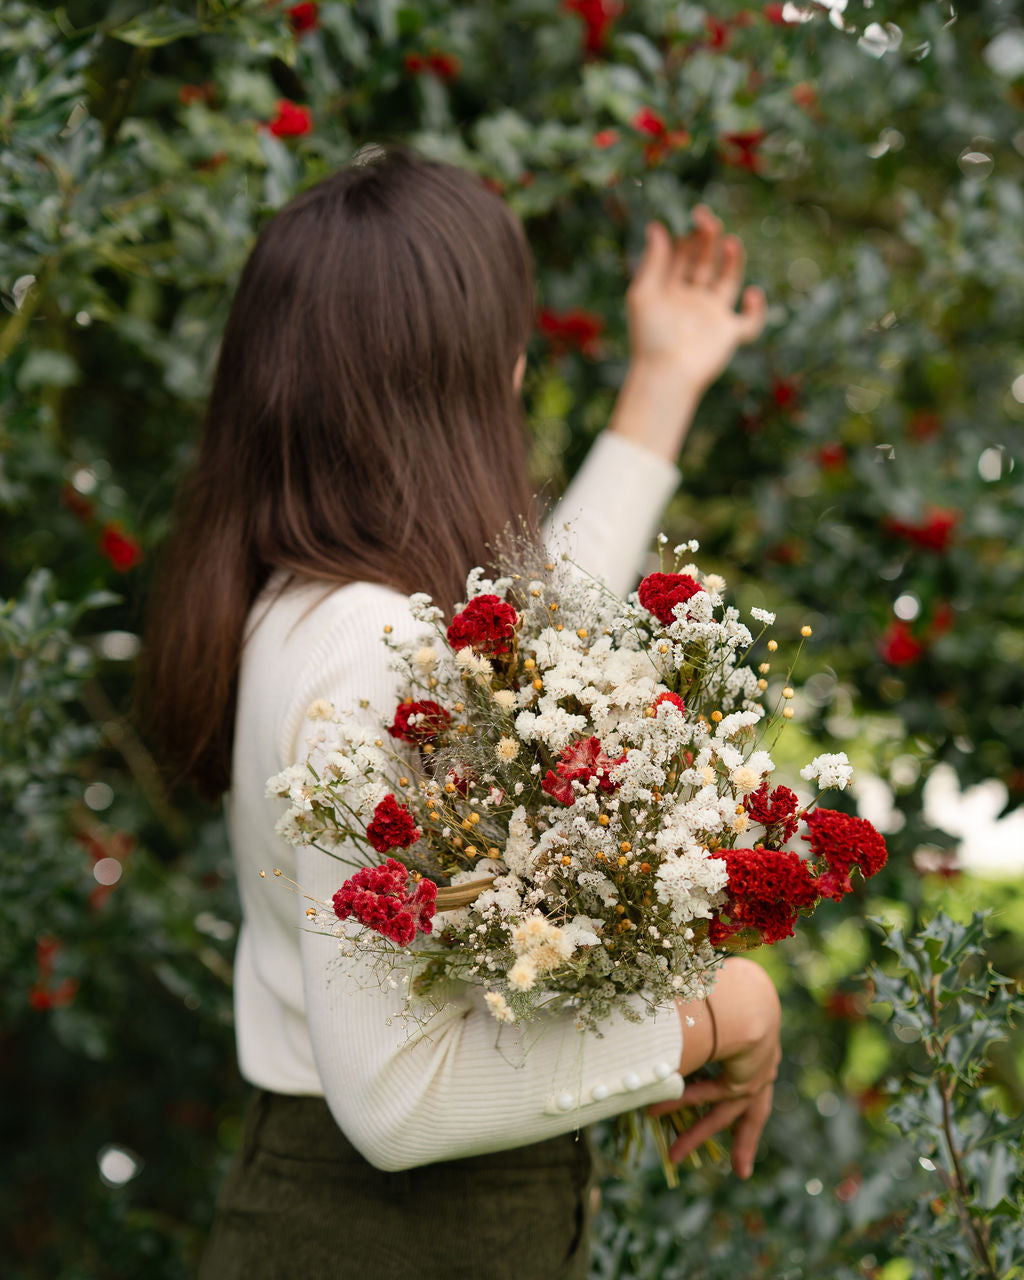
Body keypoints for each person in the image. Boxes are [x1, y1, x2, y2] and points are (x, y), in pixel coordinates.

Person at [141, 141, 781, 1279]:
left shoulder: (322, 607)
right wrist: (720, 1011)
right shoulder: (365, 652)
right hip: (388, 1239)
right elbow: (400, 1098)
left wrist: (663, 381)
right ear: (465, 382)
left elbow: (539, 626)